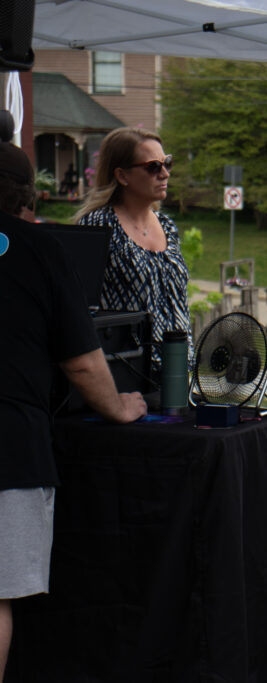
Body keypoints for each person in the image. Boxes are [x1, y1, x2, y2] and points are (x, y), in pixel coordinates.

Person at [0, 142, 148, 681]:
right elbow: (83, 363)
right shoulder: (40, 248)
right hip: (10, 447)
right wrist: (120, 406)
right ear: (27, 195)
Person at [74, 127, 191, 375]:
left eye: (166, 163)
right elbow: (79, 313)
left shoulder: (167, 226)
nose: (165, 173)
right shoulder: (97, 227)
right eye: (153, 167)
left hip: (178, 374)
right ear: (122, 175)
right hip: (126, 373)